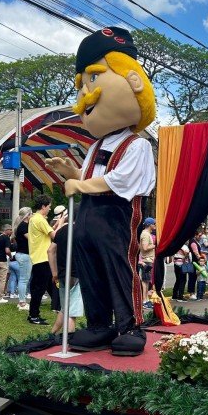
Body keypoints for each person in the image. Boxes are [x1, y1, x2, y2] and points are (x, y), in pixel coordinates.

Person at [45, 27, 157, 357]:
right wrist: (72, 173)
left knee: (119, 267)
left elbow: (119, 181)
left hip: (116, 218)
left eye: (94, 78)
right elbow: (94, 176)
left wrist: (80, 184)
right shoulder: (95, 145)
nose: (86, 93)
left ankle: (130, 325)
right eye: (83, 84)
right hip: (88, 218)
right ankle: (99, 324)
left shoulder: (136, 144)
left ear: (134, 83)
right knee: (90, 267)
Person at [27, 195, 62, 325]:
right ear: (43, 206)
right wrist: (62, 224)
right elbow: (55, 235)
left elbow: (50, 231)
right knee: (39, 289)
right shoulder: (40, 219)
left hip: (39, 257)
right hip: (42, 258)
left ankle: (59, 308)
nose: (49, 208)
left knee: (48, 286)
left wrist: (58, 223)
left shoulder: (34, 218)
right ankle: (33, 315)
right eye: (48, 206)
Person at [48, 206, 83, 334]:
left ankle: (52, 334)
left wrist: (54, 273)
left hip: (62, 273)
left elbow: (50, 251)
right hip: (77, 274)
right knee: (72, 312)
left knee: (64, 308)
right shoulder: (81, 231)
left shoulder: (61, 231)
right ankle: (69, 339)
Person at [13, 207, 32, 310]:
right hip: (24, 255)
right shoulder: (24, 226)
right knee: (24, 279)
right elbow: (32, 239)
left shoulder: (21, 226)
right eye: (31, 214)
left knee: (23, 279)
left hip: (22, 254)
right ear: (27, 215)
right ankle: (22, 302)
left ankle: (22, 301)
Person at [139, 218, 156, 309]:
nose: (155, 226)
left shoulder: (147, 234)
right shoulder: (145, 234)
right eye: (154, 224)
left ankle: (146, 300)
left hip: (148, 260)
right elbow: (145, 248)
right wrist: (155, 245)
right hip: (146, 260)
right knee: (145, 282)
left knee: (146, 281)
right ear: (150, 225)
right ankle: (144, 301)